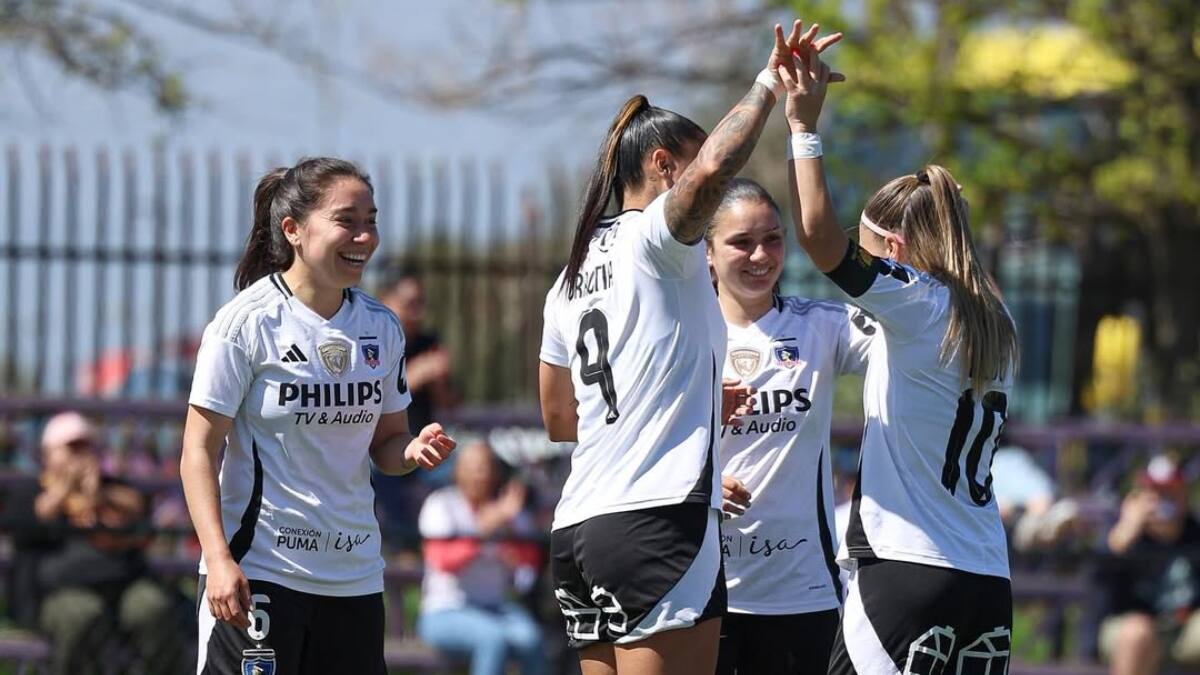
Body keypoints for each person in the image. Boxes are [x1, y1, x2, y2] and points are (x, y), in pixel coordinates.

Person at [538, 19, 838, 675]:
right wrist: (768, 82)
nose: (714, 197)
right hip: (656, 522)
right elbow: (717, 165)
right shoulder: (656, 239)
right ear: (663, 166)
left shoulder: (570, 277)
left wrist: (662, 407)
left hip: (579, 526)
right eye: (698, 170)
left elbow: (560, 418)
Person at [778, 40, 1020, 674]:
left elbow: (818, 237)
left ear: (895, 246)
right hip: (987, 579)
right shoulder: (995, 317)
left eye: (875, 252)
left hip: (906, 572)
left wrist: (804, 128)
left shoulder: (920, 303)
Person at [180, 156, 458, 675]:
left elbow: (387, 445)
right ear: (294, 231)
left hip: (352, 575)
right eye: (346, 220)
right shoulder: (246, 324)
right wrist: (219, 560)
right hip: (261, 570)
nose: (364, 236)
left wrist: (413, 449)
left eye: (371, 220)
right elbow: (197, 450)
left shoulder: (381, 326)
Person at [704, 178, 876, 674]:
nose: (761, 255)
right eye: (741, 241)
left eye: (773, 238)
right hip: (702, 589)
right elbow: (630, 439)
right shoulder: (680, 335)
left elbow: (914, 336)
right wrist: (704, 481)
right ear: (708, 253)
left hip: (801, 592)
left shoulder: (820, 324)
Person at [6, 411, 180, 675]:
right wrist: (66, 488)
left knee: (152, 607)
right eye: (71, 447)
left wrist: (98, 496)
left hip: (122, 585)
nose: (80, 454)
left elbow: (138, 512)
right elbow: (30, 519)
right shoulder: (31, 490)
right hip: (57, 593)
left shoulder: (112, 487)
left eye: (86, 445)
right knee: (80, 615)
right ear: (47, 454)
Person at [417, 440, 544, 675]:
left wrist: (509, 535)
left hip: (496, 608)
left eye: (485, 467)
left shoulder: (508, 512)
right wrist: (484, 529)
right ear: (458, 471)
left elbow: (527, 573)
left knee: (531, 639)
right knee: (493, 639)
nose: (480, 474)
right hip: (444, 612)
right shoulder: (442, 504)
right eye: (474, 467)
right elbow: (443, 561)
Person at [1099, 455, 1200, 675]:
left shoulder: (1195, 532)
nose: (1163, 501)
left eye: (1171, 492)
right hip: (1129, 628)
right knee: (1137, 633)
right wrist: (1125, 533)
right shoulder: (1123, 534)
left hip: (1185, 627)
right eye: (1155, 493)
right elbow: (1097, 581)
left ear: (1183, 495)